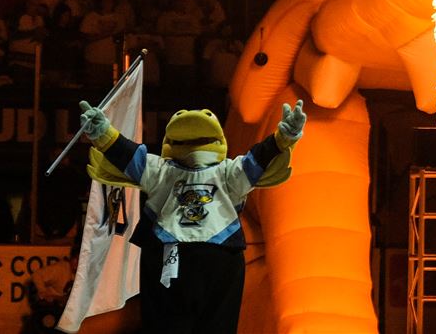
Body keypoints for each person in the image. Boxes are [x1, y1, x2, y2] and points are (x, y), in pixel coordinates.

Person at [79, 99, 306, 333]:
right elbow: (258, 159)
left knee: (173, 323)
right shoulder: (228, 172)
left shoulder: (162, 171)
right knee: (210, 323)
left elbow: (128, 154)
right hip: (215, 255)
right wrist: (282, 139)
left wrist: (103, 134)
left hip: (174, 254)